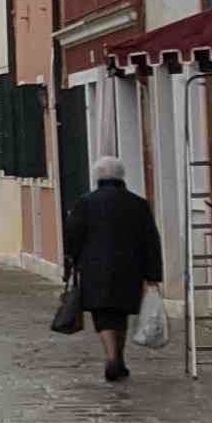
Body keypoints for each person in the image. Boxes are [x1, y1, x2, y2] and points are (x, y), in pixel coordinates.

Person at [63, 155, 167, 384]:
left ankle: (111, 357)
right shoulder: (138, 204)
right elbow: (151, 240)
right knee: (119, 313)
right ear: (122, 176)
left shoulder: (85, 203)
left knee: (103, 314)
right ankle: (118, 358)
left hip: (94, 267)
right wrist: (153, 275)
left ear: (97, 177)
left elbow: (73, 237)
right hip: (130, 268)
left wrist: (72, 263)